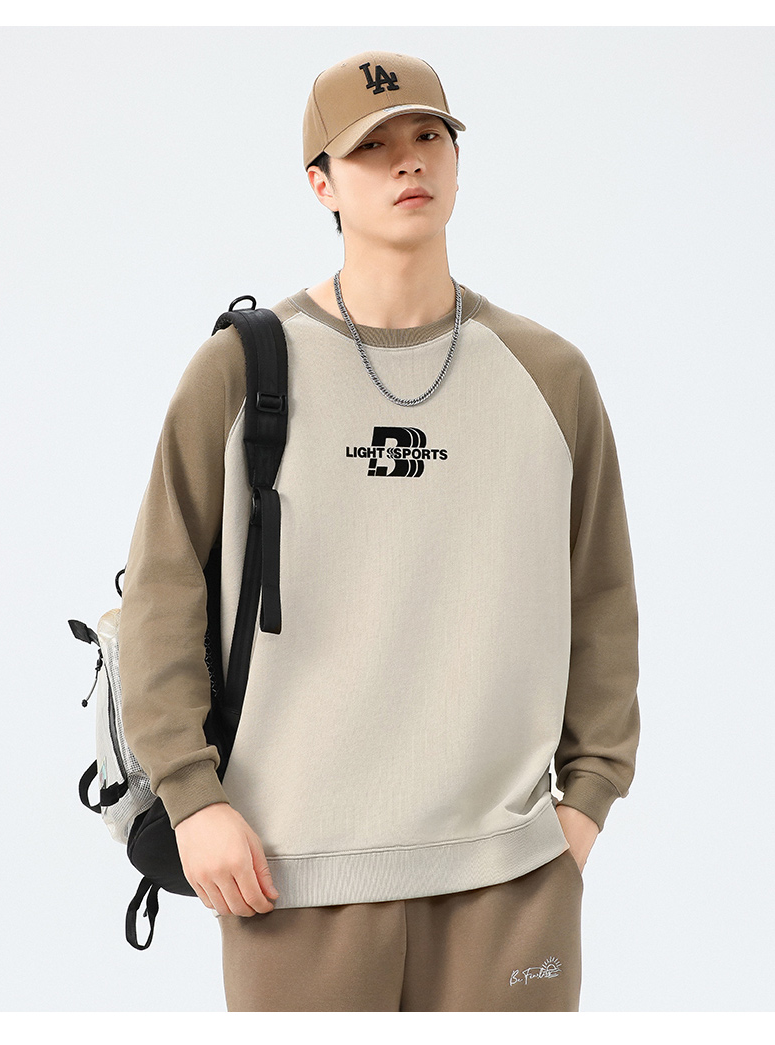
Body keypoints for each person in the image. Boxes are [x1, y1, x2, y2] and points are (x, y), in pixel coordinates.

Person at [119, 49, 641, 1012]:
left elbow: (601, 596)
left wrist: (587, 799)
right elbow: (162, 594)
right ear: (320, 182)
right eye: (372, 147)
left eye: (429, 135)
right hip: (290, 878)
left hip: (509, 877)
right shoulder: (237, 374)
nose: (410, 160)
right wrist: (192, 799)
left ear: (457, 160)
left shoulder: (550, 375)